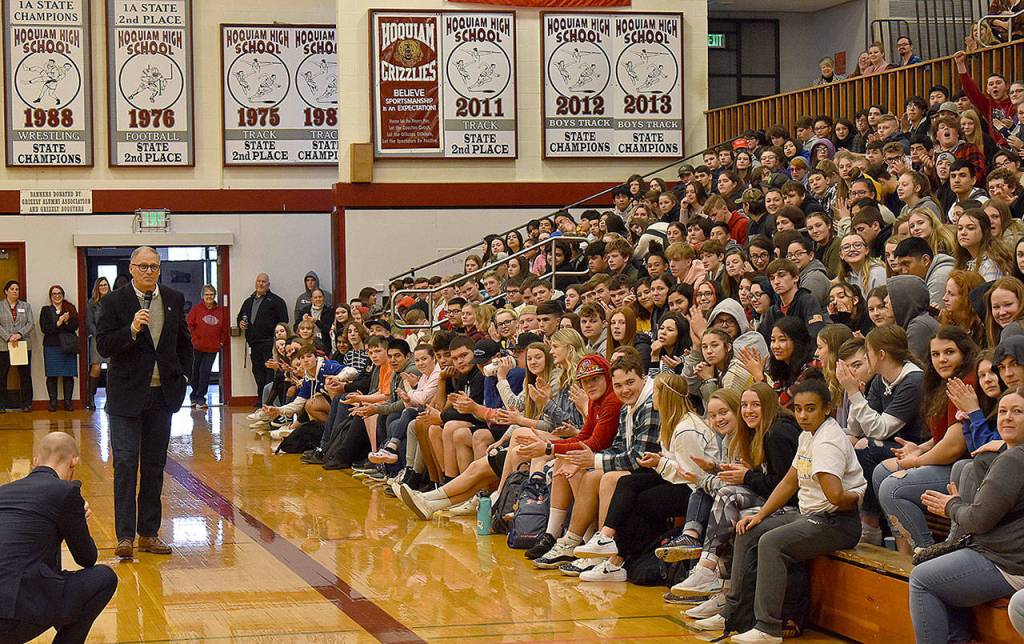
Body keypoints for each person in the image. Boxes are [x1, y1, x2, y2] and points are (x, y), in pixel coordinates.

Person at [693, 377, 866, 642]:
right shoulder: (809, 435)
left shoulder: (827, 443)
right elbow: (789, 480)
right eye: (798, 409)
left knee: (771, 543)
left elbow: (836, 496)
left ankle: (768, 627)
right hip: (811, 515)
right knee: (749, 530)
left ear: (827, 409)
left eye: (811, 409)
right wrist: (759, 515)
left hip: (835, 522)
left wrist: (854, 497)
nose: (803, 415)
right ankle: (733, 613)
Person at [96, 246, 194, 560]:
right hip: (126, 397)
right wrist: (131, 330)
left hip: (161, 396)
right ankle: (125, 537)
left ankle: (149, 533)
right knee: (126, 465)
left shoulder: (173, 299)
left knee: (154, 466)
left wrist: (185, 377)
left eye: (154, 266)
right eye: (143, 266)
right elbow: (103, 345)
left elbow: (183, 342)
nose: (149, 271)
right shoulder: (114, 301)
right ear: (133, 268)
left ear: (159, 268)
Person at [910, 387, 1024, 643]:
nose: (1007, 417)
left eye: (1017, 412)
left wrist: (951, 505)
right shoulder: (1008, 454)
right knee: (938, 570)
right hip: (1004, 554)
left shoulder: (1015, 459)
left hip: (1009, 563)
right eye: (1003, 411)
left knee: (922, 580)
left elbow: (979, 520)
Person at [0, 433, 117, 644]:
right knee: (104, 578)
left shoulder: (3, 492)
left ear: (36, 461)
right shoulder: (66, 491)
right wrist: (78, 521)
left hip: (9, 604)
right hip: (12, 617)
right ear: (75, 461)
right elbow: (87, 558)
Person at [237, 273, 289, 404]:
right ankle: (261, 398)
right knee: (257, 372)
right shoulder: (248, 301)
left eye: (263, 282)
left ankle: (270, 401)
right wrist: (240, 324)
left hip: (269, 344)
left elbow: (284, 322)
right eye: (258, 281)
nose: (260, 284)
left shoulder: (276, 301)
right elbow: (240, 317)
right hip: (253, 344)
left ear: (268, 284)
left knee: (270, 373)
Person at [186, 284, 229, 409]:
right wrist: (194, 340)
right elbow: (189, 326)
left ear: (214, 296)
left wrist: (221, 342)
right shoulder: (196, 309)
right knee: (195, 372)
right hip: (197, 347)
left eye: (211, 294)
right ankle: (193, 397)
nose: (209, 297)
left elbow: (224, 329)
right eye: (206, 294)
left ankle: (201, 398)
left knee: (205, 373)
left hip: (212, 348)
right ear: (202, 296)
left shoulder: (220, 311)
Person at [40, 285, 79, 412]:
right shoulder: (45, 310)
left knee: (68, 375)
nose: (57, 296)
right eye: (54, 294)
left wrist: (67, 321)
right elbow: (45, 329)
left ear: (63, 294)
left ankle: (68, 403)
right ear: (50, 296)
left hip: (68, 346)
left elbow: (75, 327)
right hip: (51, 346)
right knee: (52, 375)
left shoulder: (70, 308)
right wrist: (59, 322)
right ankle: (53, 403)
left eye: (59, 293)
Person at [0, 280, 33, 412]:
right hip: (3, 345)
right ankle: (1, 405)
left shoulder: (26, 306)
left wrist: (19, 334)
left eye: (17, 289)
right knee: (2, 375)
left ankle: (26, 404)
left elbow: (30, 324)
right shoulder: (0, 305)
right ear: (6, 291)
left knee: (25, 375)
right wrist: (8, 337)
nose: (15, 291)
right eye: (12, 289)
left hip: (22, 344)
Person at [85, 277, 111, 410]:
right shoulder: (91, 303)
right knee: (96, 368)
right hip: (97, 338)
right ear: (97, 288)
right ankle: (91, 398)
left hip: (111, 337)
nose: (103, 287)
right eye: (101, 285)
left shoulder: (114, 301)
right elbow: (89, 323)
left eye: (105, 285)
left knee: (112, 368)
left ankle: (110, 400)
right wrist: (98, 335)